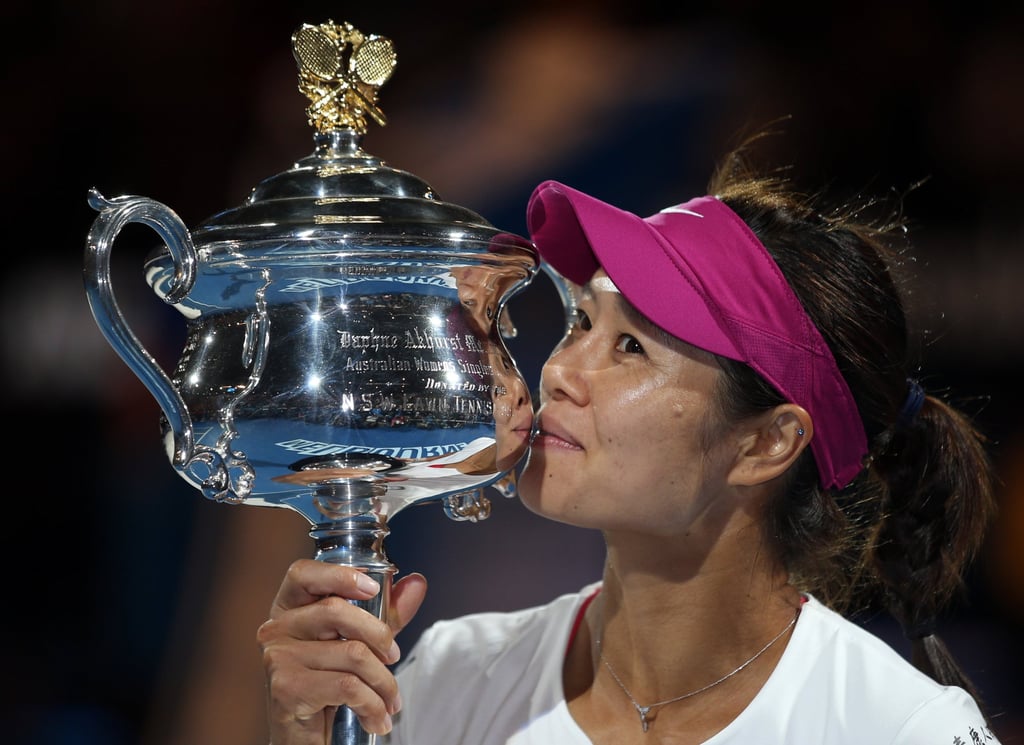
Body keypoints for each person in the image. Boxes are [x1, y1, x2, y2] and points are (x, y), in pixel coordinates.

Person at [255, 138, 1000, 743]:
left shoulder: (902, 729)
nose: (559, 372)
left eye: (632, 349)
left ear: (766, 444)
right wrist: (316, 737)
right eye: (582, 322)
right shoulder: (451, 676)